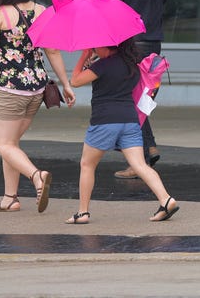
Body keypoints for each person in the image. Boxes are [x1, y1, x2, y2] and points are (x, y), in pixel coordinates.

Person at [0, 0, 76, 213]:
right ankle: (10, 198)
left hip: (9, 89)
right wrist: (66, 84)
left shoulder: (0, 14)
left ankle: (37, 176)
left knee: (3, 144)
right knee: (11, 144)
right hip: (36, 88)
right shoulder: (41, 10)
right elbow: (52, 50)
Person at [65, 39, 179, 224]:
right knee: (140, 165)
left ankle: (82, 212)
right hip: (130, 121)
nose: (94, 48)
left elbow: (75, 81)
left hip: (105, 122)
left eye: (96, 46)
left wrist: (84, 55)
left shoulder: (102, 65)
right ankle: (166, 200)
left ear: (108, 45)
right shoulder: (131, 65)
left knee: (87, 165)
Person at [110, 0, 167, 179]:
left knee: (129, 102)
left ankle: (138, 161)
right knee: (140, 99)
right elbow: (162, 5)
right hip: (153, 44)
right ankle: (150, 147)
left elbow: (112, 12)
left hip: (131, 44)